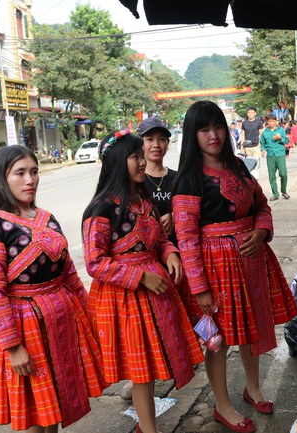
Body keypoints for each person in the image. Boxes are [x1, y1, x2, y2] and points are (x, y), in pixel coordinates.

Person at [0, 146, 108, 432]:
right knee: (33, 411)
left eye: (34, 171)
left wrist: (90, 316)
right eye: (21, 173)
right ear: (2, 180)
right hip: (23, 328)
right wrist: (13, 347)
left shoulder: (47, 218)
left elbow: (69, 275)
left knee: (53, 405)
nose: (31, 180)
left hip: (60, 322)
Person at [171, 101, 297, 433]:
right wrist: (198, 288)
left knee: (251, 326)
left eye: (218, 127)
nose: (214, 135)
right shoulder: (189, 180)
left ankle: (253, 388)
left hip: (251, 263)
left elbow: (261, 205)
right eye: (204, 129)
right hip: (214, 270)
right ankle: (222, 405)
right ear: (192, 134)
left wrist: (260, 230)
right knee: (219, 338)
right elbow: (185, 238)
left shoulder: (239, 167)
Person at [82, 130, 203, 433]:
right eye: (135, 156)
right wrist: (140, 277)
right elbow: (94, 263)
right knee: (141, 371)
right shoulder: (101, 209)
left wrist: (171, 253)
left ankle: (146, 427)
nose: (142, 161)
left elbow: (160, 239)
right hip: (125, 300)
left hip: (155, 294)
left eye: (140, 155)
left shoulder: (142, 199)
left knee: (148, 369)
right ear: (117, 162)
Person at [115, 117, 178, 402]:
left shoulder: (178, 177)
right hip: (139, 267)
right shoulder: (130, 186)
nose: (155, 145)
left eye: (161, 139)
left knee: (170, 320)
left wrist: (177, 218)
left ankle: (169, 364)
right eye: (149, 140)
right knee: (140, 328)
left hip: (171, 256)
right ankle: (139, 377)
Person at [260, 114, 290, 201]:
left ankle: (284, 191)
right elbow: (262, 143)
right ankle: (275, 194)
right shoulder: (265, 132)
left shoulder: (280, 130)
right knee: (271, 175)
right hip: (270, 155)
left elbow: (287, 141)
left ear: (276, 121)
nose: (272, 123)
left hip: (280, 154)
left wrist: (280, 138)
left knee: (283, 173)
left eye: (273, 121)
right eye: (270, 121)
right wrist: (263, 149)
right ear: (267, 122)